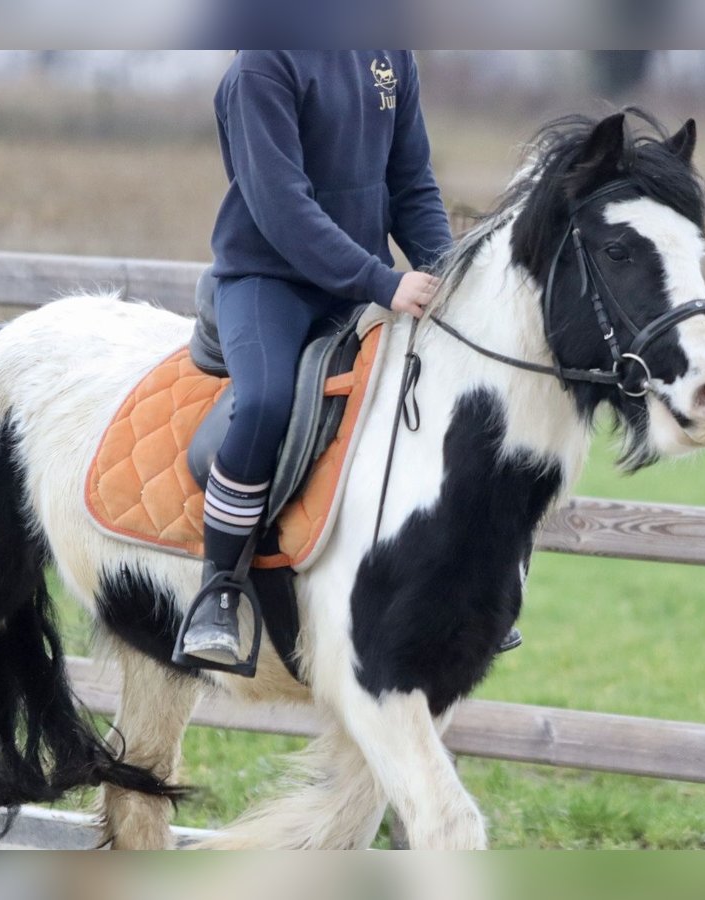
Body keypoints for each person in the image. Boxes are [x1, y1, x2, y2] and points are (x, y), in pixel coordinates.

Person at [174, 51, 454, 672]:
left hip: (355, 284)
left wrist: (450, 273)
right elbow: (282, 208)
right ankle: (220, 587)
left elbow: (411, 183)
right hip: (268, 280)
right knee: (267, 402)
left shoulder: (389, 52)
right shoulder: (262, 65)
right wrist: (380, 281)